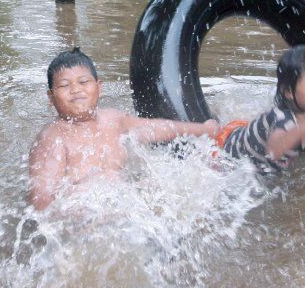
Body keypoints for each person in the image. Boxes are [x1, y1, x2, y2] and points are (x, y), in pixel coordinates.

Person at [28, 47, 220, 211]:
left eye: (83, 82)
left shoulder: (113, 119)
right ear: (51, 97)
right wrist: (78, 219)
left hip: (123, 206)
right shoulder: (53, 137)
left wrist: (202, 129)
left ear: (98, 87)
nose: (75, 89)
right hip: (84, 218)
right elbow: (42, 200)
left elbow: (155, 128)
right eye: (64, 85)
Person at [216, 45, 305, 174]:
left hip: (248, 134)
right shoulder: (283, 118)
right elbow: (273, 152)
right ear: (288, 92)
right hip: (226, 146)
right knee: (211, 131)